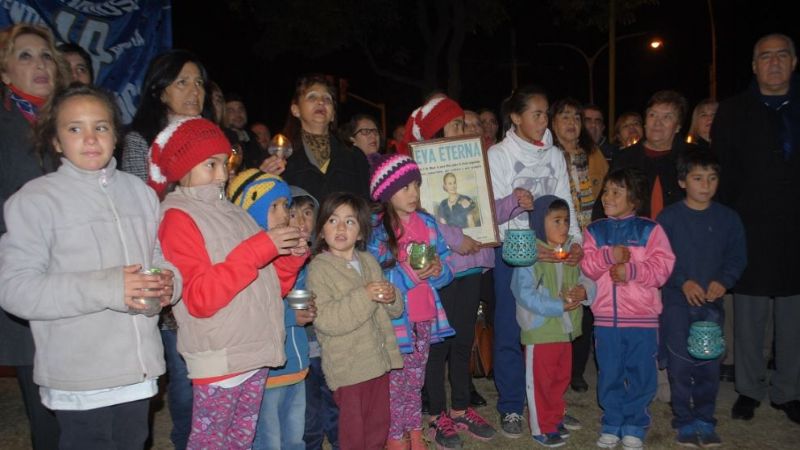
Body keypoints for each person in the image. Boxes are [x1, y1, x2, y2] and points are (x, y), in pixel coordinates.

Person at [0, 84, 179, 450]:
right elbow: (15, 288)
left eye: (100, 126)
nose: (90, 138)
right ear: (54, 140)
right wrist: (110, 287)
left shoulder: (140, 193)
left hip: (137, 366)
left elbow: (156, 255)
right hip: (79, 373)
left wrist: (167, 283)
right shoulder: (35, 202)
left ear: (116, 134)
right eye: (74, 128)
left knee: (134, 440)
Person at [155, 117, 307, 448]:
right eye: (211, 164)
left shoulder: (235, 214)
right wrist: (261, 247)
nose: (223, 174)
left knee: (240, 441)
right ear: (183, 166)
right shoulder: (178, 217)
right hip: (219, 357)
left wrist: (291, 258)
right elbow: (199, 297)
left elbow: (269, 289)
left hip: (252, 351)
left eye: (225, 163)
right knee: (211, 443)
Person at [396, 95, 496, 449]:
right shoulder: (417, 168)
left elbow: (485, 207)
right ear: (438, 129)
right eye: (456, 125)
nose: (464, 130)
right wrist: (455, 240)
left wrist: (512, 202)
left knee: (463, 340)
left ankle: (460, 408)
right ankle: (437, 414)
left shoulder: (471, 159)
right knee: (437, 345)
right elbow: (423, 215)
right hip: (439, 271)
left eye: (465, 124)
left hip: (468, 269)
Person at [712, 32, 800, 424]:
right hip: (749, 229)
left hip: (795, 230)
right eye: (766, 57)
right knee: (748, 317)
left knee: (793, 318)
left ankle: (788, 391)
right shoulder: (732, 112)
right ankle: (748, 389)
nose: (775, 63)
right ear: (754, 66)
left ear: (794, 62)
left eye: (783, 55)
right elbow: (722, 175)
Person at [487, 85, 580, 439]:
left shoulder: (555, 154)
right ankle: (511, 406)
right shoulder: (498, 154)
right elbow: (496, 207)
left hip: (554, 251)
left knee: (552, 330)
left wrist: (574, 243)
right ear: (515, 117)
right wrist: (527, 247)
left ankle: (551, 406)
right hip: (514, 253)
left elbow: (565, 201)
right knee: (513, 327)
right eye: (537, 114)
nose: (544, 121)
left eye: (545, 114)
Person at [0, 23, 69, 450]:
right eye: (24, 56)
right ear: (5, 72)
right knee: (47, 414)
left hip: (80, 281)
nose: (39, 64)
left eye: (45, 56)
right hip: (28, 281)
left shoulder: (76, 124)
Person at [657, 149, 746, 447]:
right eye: (697, 178)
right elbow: (660, 259)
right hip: (676, 303)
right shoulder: (668, 217)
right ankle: (683, 418)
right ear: (683, 181)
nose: (706, 185)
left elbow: (737, 257)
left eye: (712, 178)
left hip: (711, 305)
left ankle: (705, 419)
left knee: (709, 364)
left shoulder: (728, 219)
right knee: (681, 364)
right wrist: (683, 282)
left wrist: (724, 281)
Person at [366, 152, 456, 449]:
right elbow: (374, 277)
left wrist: (440, 271)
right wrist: (412, 275)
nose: (414, 193)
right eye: (406, 188)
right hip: (395, 322)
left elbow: (445, 264)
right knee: (396, 384)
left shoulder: (428, 223)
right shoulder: (378, 231)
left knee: (415, 383)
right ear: (387, 193)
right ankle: (395, 437)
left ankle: (414, 434)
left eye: (416, 186)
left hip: (425, 317)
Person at [581, 168, 675, 450]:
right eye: (606, 191)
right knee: (609, 371)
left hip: (642, 318)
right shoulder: (595, 230)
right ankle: (612, 422)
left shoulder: (650, 230)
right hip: (606, 318)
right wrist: (609, 256)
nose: (607, 197)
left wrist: (632, 269)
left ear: (633, 200)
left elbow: (663, 268)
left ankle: (634, 423)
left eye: (616, 192)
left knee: (641, 372)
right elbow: (586, 265)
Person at [307, 192, 404, 450]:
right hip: (348, 368)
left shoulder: (369, 261)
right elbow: (326, 319)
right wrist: (366, 295)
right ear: (321, 231)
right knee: (353, 434)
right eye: (332, 220)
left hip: (379, 362)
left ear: (361, 233)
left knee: (378, 427)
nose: (341, 227)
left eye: (350, 222)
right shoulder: (319, 269)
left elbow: (394, 311)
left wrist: (392, 297)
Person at [227, 170, 315, 450]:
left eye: (285, 207)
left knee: (294, 437)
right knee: (269, 440)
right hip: (266, 371)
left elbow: (294, 295)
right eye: (273, 207)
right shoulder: (247, 257)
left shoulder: (291, 251)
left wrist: (305, 307)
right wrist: (292, 316)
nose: (283, 215)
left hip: (296, 362)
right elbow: (251, 306)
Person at [512, 195, 595, 448]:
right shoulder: (529, 256)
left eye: (566, 221)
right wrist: (557, 306)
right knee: (541, 382)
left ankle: (555, 416)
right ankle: (541, 427)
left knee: (560, 378)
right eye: (556, 221)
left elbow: (587, 277)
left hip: (565, 329)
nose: (563, 227)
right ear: (539, 223)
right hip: (540, 329)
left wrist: (585, 291)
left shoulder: (571, 252)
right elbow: (523, 293)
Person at [550, 98, 609, 394]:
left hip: (590, 238)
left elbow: (604, 197)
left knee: (585, 302)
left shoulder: (594, 155)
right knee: (559, 299)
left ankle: (576, 370)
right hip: (557, 238)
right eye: (564, 116)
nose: (572, 122)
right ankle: (556, 364)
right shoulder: (546, 155)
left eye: (576, 117)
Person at [280, 74, 371, 204]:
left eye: (327, 99)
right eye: (312, 97)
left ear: (333, 114)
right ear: (296, 110)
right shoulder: (282, 158)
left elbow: (365, 207)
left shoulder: (355, 157)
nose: (321, 102)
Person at [224, 93, 265, 170]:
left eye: (241, 109)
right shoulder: (222, 141)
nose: (238, 114)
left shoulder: (253, 139)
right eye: (231, 111)